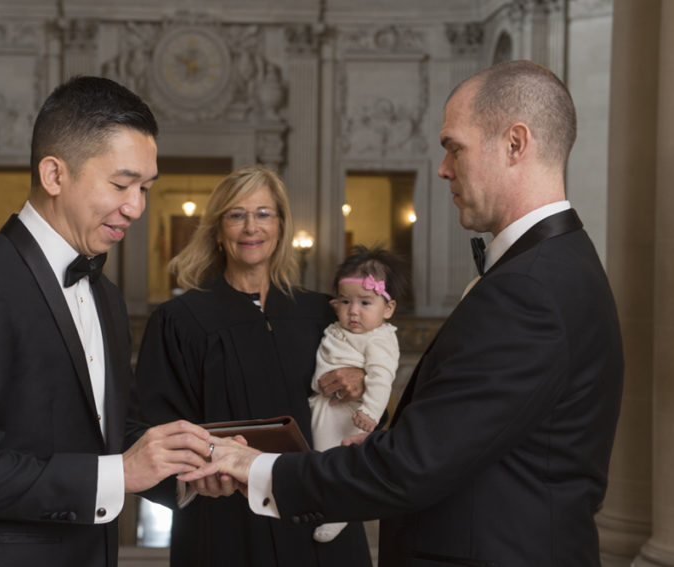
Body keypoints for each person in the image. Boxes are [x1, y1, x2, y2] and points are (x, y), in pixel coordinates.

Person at [185, 60, 624, 567]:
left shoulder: (529, 290)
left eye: (453, 147)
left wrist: (260, 468)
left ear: (515, 144)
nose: (442, 168)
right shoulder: (558, 264)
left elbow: (414, 463)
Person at [0, 76, 213, 567]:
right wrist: (117, 475)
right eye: (121, 184)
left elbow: (110, 436)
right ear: (54, 175)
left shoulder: (106, 296)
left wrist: (185, 468)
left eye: (146, 188)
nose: (137, 207)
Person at [134, 164, 373, 567]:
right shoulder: (180, 320)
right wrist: (194, 479)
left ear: (281, 226)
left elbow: (362, 409)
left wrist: (361, 380)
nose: (251, 227)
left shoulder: (321, 312)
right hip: (225, 518)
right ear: (217, 228)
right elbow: (152, 427)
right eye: (236, 214)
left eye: (263, 213)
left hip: (313, 511)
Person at [309, 245, 404, 543]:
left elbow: (380, 377)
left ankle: (342, 510)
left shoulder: (379, 339)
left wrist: (371, 414)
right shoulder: (341, 328)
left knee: (333, 459)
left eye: (365, 302)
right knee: (317, 459)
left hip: (348, 412)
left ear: (387, 309)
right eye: (345, 301)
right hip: (324, 404)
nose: (353, 311)